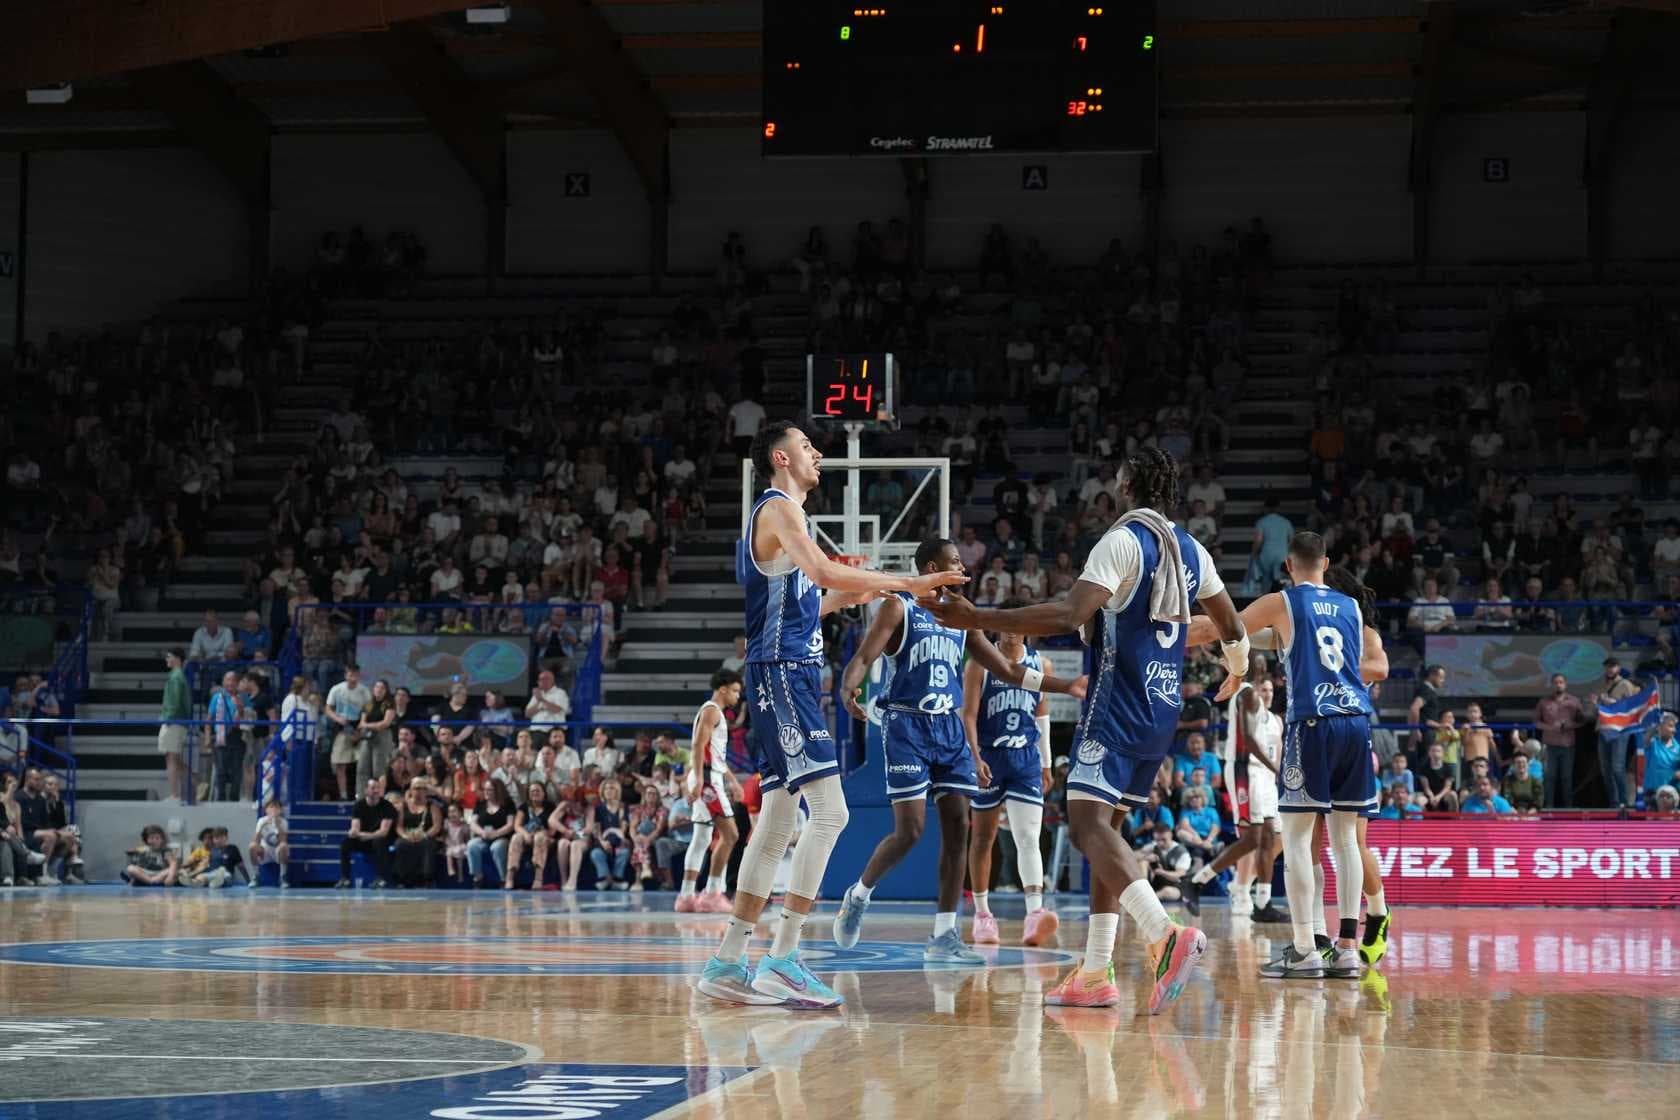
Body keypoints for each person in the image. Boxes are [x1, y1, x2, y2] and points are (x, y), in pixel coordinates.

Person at [927, 448, 1247, 1015]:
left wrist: (976, 617)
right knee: (1110, 837)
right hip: (1162, 709)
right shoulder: (1193, 550)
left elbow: (1067, 615)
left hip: (1118, 703)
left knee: (1084, 825)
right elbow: (1231, 625)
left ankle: (1163, 936)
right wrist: (1238, 667)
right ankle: (1095, 972)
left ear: (1125, 487)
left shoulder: (1123, 541)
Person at [695, 420, 967, 1010]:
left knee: (773, 827)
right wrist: (905, 581)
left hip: (782, 676)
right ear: (780, 458)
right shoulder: (776, 510)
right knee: (832, 813)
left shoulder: (785, 520)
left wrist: (856, 593)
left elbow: (811, 598)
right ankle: (784, 958)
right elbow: (822, 571)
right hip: (783, 677)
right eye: (806, 446)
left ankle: (726, 961)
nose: (817, 453)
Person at [836, 540, 1087, 962]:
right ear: (933, 567)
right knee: (911, 830)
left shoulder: (961, 616)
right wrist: (848, 687)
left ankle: (945, 934)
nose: (964, 568)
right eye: (956, 563)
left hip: (948, 729)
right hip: (906, 725)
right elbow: (864, 656)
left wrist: (1065, 686)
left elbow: (1007, 670)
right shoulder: (900, 608)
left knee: (959, 831)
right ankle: (858, 894)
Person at [1210, 532, 1374, 980]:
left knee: (1298, 840)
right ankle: (1345, 948)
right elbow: (1298, 644)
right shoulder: (1351, 607)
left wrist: (1233, 668)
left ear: (1287, 565)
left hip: (1313, 721)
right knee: (1346, 841)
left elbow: (1234, 630)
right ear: (1326, 562)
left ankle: (1304, 948)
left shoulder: (1284, 600)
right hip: (1356, 721)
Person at [962, 628, 1058, 947]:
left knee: (1028, 836)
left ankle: (1034, 914)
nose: (1013, 632)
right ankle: (983, 915)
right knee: (983, 838)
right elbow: (969, 716)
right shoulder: (980, 663)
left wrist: (1046, 762)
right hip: (990, 756)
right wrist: (974, 757)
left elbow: (1042, 714)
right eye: (1007, 625)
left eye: (1020, 625)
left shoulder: (1040, 664)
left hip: (1025, 759)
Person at [1182, 672, 1282, 920]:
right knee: (1252, 840)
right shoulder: (1246, 693)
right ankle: (1199, 881)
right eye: (1265, 688)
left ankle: (1262, 903)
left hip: (1265, 778)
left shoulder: (1275, 719)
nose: (1268, 692)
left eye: (1272, 689)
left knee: (1270, 837)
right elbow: (1248, 741)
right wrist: (1276, 769)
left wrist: (1277, 773)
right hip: (1245, 771)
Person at [676, 669, 744, 913]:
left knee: (702, 838)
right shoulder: (713, 710)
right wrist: (699, 780)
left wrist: (733, 781)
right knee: (731, 835)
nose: (738, 696)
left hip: (707, 775)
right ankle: (713, 893)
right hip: (707, 780)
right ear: (723, 689)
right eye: (736, 691)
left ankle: (686, 896)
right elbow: (697, 744)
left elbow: (713, 754)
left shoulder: (712, 712)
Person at [1589, 657, 1642, 810]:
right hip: (1603, 729)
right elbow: (1596, 713)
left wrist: (1612, 702)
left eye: (1612, 666)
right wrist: (1595, 705)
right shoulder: (1602, 686)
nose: (1609, 669)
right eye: (1607, 667)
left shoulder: (1626, 684)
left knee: (1617, 767)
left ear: (1618, 668)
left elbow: (1633, 707)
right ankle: (1613, 803)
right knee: (1605, 769)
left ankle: (1624, 802)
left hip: (1619, 731)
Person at [1534, 673, 1587, 808]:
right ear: (1552, 684)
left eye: (1561, 682)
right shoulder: (1543, 702)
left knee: (1566, 778)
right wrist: (1550, 727)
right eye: (1556, 682)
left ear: (1566, 684)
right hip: (1549, 745)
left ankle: (1568, 808)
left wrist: (1570, 725)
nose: (1558, 685)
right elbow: (1536, 722)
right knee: (1549, 778)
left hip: (1567, 745)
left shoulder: (1574, 701)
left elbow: (1582, 721)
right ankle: (1549, 807)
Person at [336, 779, 394, 888]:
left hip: (377, 840)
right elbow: (355, 829)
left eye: (378, 788)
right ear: (366, 790)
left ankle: (380, 879)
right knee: (346, 843)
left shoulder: (387, 806)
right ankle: (345, 879)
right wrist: (353, 832)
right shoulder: (359, 805)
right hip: (363, 840)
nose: (376, 791)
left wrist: (366, 836)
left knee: (380, 842)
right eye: (373, 788)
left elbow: (383, 832)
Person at [324, 665, 371, 801]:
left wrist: (361, 728)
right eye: (350, 674)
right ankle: (343, 795)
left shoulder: (364, 691)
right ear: (346, 675)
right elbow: (328, 709)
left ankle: (361, 795)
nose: (353, 677)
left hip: (359, 727)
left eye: (355, 674)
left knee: (362, 764)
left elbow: (367, 710)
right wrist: (338, 719)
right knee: (340, 763)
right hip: (342, 728)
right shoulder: (337, 689)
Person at [157, 647, 192, 803]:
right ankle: (198, 783)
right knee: (174, 758)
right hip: (178, 721)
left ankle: (174, 795)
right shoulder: (178, 676)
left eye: (169, 656)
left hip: (173, 721)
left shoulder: (176, 677)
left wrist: (167, 718)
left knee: (171, 758)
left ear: (177, 659)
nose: (166, 660)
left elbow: (175, 701)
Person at [467, 778, 516, 887]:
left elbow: (510, 824)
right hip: (484, 836)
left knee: (497, 847)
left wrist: (496, 833)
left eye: (490, 790)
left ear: (497, 790)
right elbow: (473, 823)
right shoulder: (480, 803)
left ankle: (503, 878)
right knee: (472, 845)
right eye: (485, 789)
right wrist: (482, 833)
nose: (486, 792)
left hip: (502, 837)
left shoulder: (508, 803)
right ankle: (477, 877)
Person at [1640, 712, 1680, 807]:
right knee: (1652, 820)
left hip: (1671, 795)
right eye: (1670, 726)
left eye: (1674, 726)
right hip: (1652, 794)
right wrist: (1655, 725)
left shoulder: (1678, 748)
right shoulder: (1652, 743)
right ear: (1661, 727)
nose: (1673, 730)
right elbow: (1646, 738)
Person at [249, 798, 289, 888]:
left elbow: (283, 841)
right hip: (264, 852)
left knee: (284, 846)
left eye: (277, 807)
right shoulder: (261, 821)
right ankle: (256, 876)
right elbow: (255, 841)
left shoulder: (284, 822)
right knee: (252, 846)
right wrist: (263, 826)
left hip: (277, 852)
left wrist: (278, 826)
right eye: (271, 807)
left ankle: (283, 877)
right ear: (266, 810)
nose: (274, 809)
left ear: (280, 810)